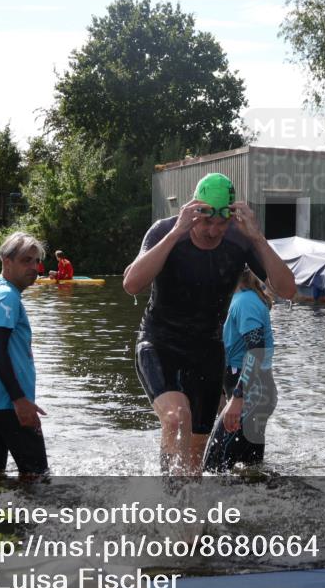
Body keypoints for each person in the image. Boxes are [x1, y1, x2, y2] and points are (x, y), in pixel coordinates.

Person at [123, 172, 296, 476]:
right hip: (160, 343)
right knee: (176, 419)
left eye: (222, 222)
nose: (214, 230)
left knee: (194, 462)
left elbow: (288, 290)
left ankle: (192, 516)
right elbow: (132, 284)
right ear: (194, 210)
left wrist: (256, 236)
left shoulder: (240, 239)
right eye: (206, 221)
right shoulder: (164, 231)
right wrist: (177, 231)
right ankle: (168, 501)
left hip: (207, 352)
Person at [0, 231, 48, 476]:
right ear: (6, 261)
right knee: (37, 478)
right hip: (6, 403)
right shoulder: (6, 296)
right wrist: (20, 400)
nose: (34, 267)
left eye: (36, 261)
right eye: (26, 260)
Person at [204, 268, 277, 472]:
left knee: (211, 470)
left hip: (250, 397)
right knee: (251, 474)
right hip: (253, 395)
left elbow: (256, 351)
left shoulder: (245, 302)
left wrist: (238, 397)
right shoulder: (239, 299)